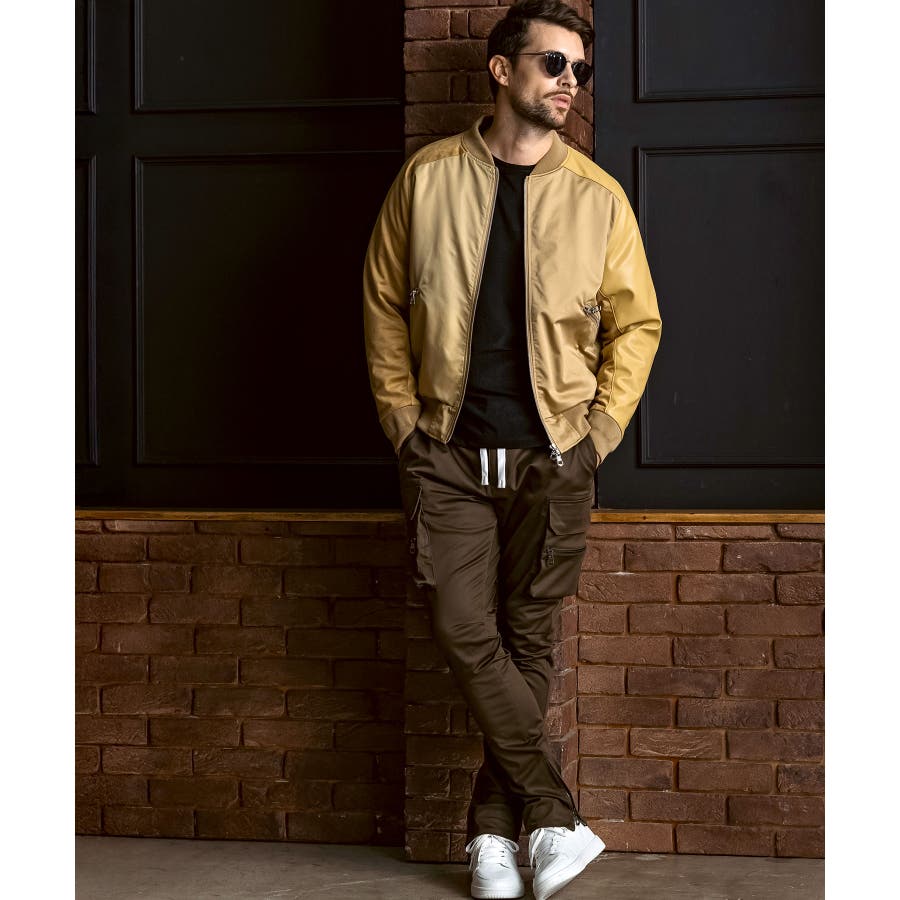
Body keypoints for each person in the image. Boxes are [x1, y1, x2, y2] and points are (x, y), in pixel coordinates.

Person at [363, 2, 661, 897]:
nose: (571, 83)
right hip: (448, 454)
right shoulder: (427, 179)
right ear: (502, 70)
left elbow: (637, 326)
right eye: (553, 64)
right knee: (463, 628)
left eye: (581, 70)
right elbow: (382, 304)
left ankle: (493, 836)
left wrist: (598, 434)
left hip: (554, 457)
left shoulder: (597, 197)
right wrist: (404, 423)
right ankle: (554, 814)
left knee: (529, 641)